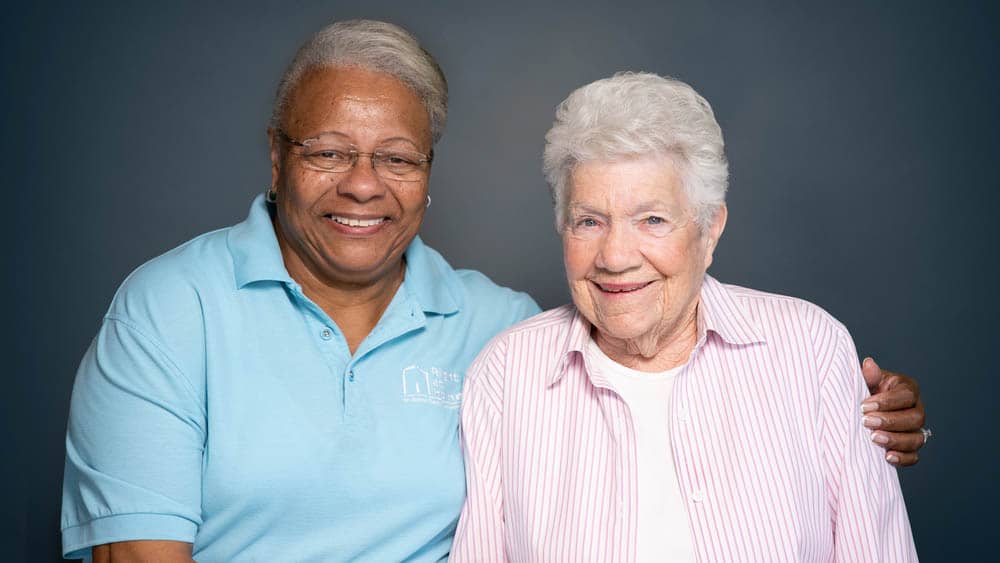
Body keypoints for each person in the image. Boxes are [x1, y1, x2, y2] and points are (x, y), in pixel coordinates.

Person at [61, 21, 925, 562]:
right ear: (278, 156)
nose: (363, 184)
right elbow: (137, 553)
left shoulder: (499, 332)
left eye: (395, 158)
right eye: (328, 150)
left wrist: (880, 410)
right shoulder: (171, 308)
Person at [452, 73, 918, 561]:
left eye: (652, 220)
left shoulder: (810, 346)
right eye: (589, 221)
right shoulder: (505, 374)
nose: (615, 256)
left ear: (709, 229)